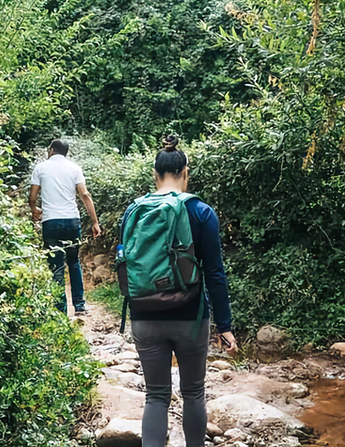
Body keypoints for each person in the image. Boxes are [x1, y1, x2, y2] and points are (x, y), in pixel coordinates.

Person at [120, 135, 238, 447]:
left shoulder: (133, 212)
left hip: (144, 314)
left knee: (156, 395)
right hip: (190, 315)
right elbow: (214, 273)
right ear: (186, 172)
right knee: (193, 392)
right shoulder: (200, 212)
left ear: (155, 173)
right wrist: (224, 326)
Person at [29, 139, 101, 315]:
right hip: (71, 221)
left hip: (51, 221)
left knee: (56, 264)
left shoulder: (40, 168)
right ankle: (80, 306)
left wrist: (34, 209)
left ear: (52, 150)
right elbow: (84, 194)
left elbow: (32, 195)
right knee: (74, 262)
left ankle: (60, 310)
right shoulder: (74, 168)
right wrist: (95, 222)